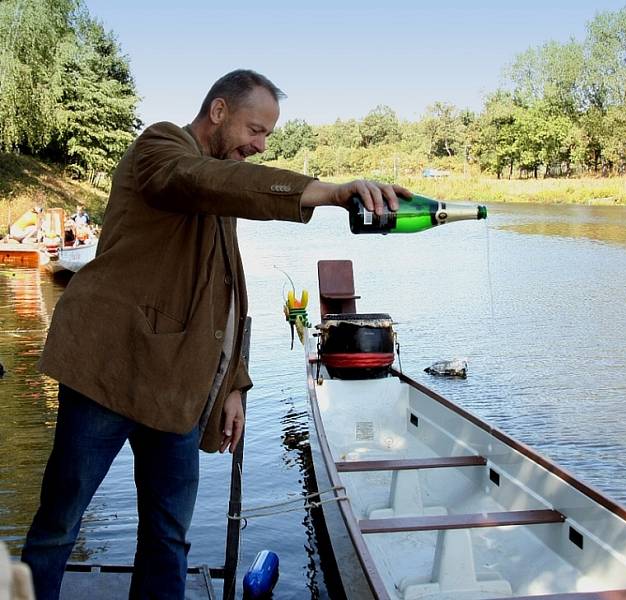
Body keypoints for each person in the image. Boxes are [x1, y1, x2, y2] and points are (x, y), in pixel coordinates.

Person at [21, 69, 409, 600]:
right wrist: (328, 193)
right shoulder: (162, 147)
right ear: (219, 111)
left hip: (177, 387)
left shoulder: (220, 183)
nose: (261, 144)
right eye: (256, 130)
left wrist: (234, 385)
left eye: (268, 136)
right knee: (58, 526)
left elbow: (225, 292)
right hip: (105, 372)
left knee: (168, 537)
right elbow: (199, 181)